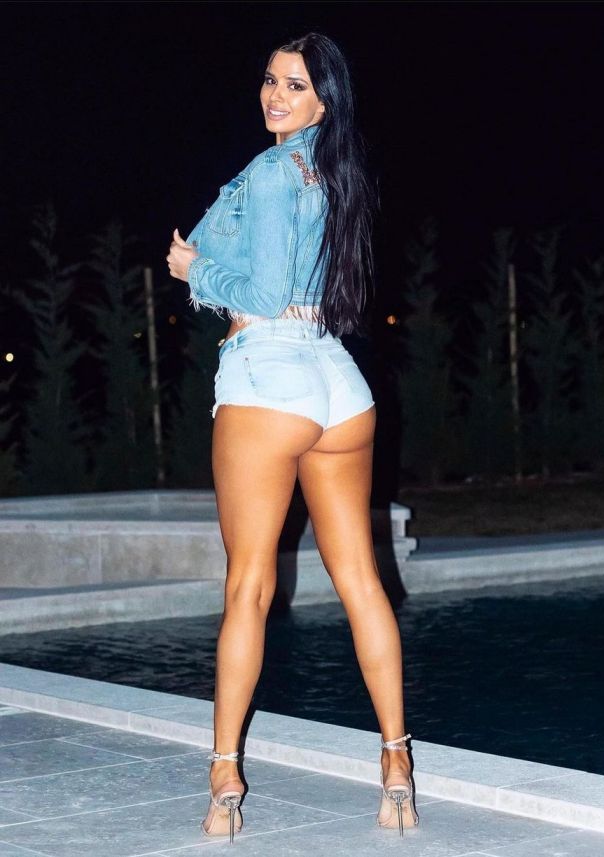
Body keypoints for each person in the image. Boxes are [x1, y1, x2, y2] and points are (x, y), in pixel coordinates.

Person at [166, 31, 419, 843]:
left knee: (248, 586)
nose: (276, 95)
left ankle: (224, 777)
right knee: (363, 582)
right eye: (271, 80)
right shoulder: (331, 173)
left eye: (296, 85)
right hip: (337, 382)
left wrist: (193, 272)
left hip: (269, 374)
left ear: (323, 101)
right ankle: (396, 762)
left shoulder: (277, 173)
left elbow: (268, 292)